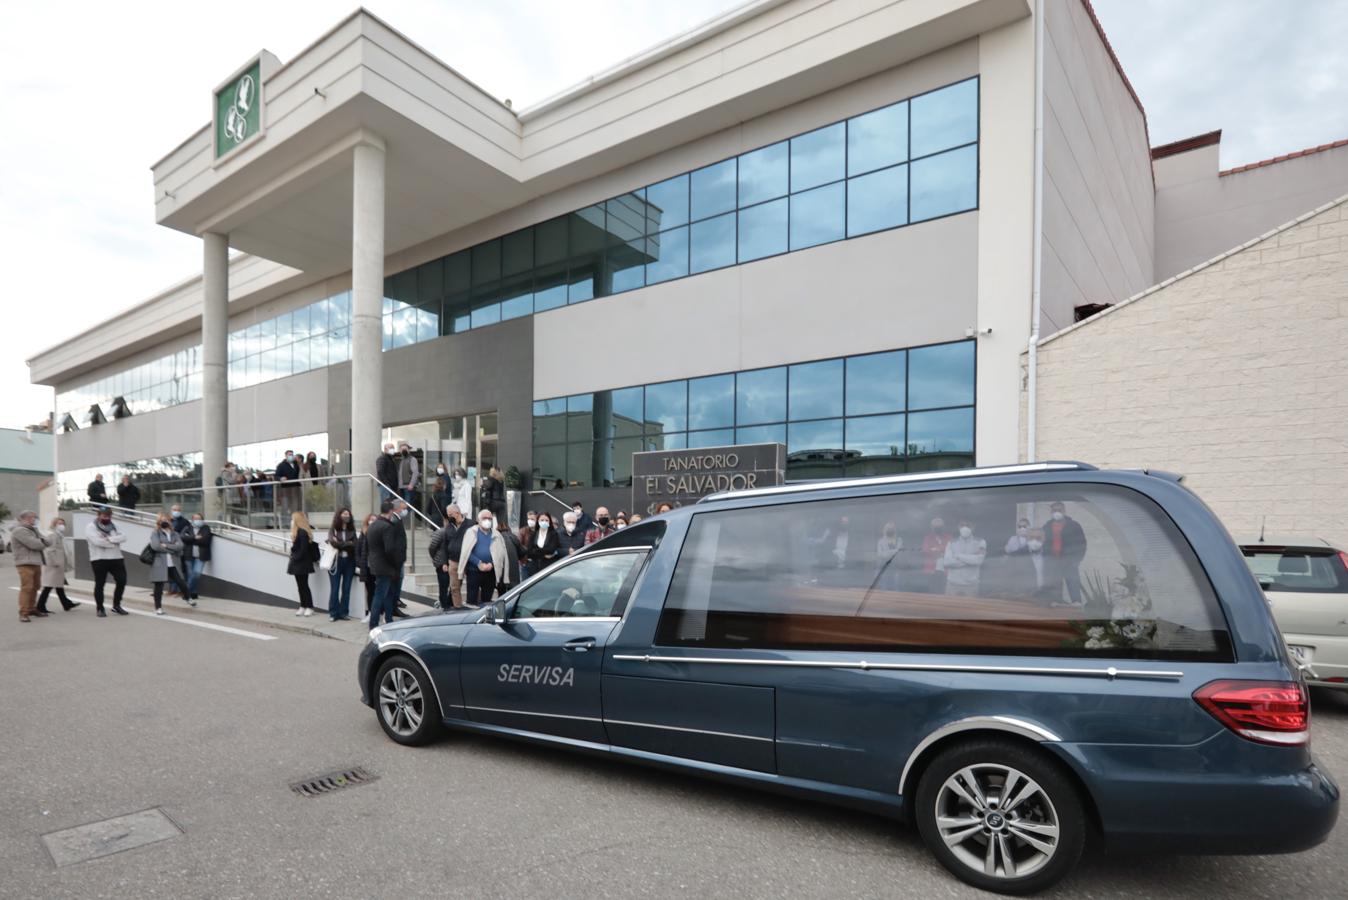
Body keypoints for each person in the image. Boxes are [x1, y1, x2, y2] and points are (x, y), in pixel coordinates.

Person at [366, 499, 409, 628]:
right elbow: (390, 549)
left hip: (376, 565)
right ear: (391, 511)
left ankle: (387, 619)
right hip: (386, 567)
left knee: (384, 594)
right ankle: (374, 624)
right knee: (382, 595)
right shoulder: (387, 527)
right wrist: (395, 565)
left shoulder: (373, 525)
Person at [1040, 501, 1087, 606]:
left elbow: (1082, 543)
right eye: (1054, 510)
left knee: (1073, 583)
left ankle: (1077, 603)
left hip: (1069, 561)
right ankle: (1057, 604)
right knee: (1055, 586)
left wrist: (1077, 560)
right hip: (1053, 561)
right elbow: (1042, 544)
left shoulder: (1074, 525)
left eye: (1059, 510)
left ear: (1064, 511)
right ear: (1051, 512)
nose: (1057, 512)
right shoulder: (1046, 527)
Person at [458, 510, 506, 609]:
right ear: (478, 520)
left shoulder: (496, 534)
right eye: (484, 518)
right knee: (471, 600)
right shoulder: (471, 532)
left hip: (491, 572)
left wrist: (491, 564)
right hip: (474, 571)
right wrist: (479, 563)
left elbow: (501, 553)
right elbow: (466, 552)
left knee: (487, 601)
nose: (487, 520)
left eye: (489, 518)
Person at [86, 507, 129, 617]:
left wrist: (110, 539)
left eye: (109, 516)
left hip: (116, 557)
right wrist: (114, 541)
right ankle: (100, 608)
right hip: (99, 558)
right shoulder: (91, 527)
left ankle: (116, 605)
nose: (107, 518)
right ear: (99, 515)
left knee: (122, 580)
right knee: (100, 584)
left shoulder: (114, 525)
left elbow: (124, 537)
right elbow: (97, 542)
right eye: (104, 516)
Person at [11, 510, 52, 622]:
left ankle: (31, 608)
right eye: (33, 517)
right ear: (27, 518)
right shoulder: (19, 530)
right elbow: (34, 544)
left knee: (36, 586)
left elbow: (49, 541)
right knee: (27, 587)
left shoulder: (33, 530)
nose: (35, 519)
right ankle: (23, 612)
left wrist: (42, 540)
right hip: (25, 563)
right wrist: (42, 540)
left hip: (35, 562)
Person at [149, 513, 193, 614]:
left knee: (181, 582)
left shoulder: (175, 534)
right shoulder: (155, 533)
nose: (165, 522)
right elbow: (155, 546)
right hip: (160, 563)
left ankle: (187, 597)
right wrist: (173, 547)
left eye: (167, 520)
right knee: (159, 587)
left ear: (170, 521)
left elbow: (180, 546)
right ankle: (158, 608)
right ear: (159, 522)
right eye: (162, 520)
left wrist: (166, 546)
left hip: (173, 563)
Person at [429, 507, 468, 610]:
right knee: (444, 586)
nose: (449, 518)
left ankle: (451, 604)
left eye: (451, 515)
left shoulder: (463, 527)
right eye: (448, 516)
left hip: (455, 561)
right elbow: (432, 547)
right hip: (443, 564)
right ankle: (444, 606)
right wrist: (438, 560)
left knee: (454, 586)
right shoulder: (441, 532)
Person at [36, 517, 77, 613]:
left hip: (58, 564)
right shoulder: (52, 535)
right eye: (59, 523)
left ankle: (66, 604)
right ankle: (40, 606)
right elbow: (49, 550)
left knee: (59, 585)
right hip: (54, 565)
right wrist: (55, 562)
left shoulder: (60, 535)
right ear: (54, 524)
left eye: (63, 523)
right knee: (49, 586)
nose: (62, 525)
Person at [942, 521, 987, 597]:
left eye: (968, 525)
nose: (965, 528)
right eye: (962, 525)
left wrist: (958, 556)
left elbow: (979, 560)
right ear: (958, 527)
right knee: (950, 608)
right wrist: (970, 559)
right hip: (953, 584)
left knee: (971, 608)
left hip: (971, 585)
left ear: (973, 528)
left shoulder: (980, 542)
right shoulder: (951, 542)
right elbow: (947, 562)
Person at [327, 508, 358, 621]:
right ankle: (333, 613)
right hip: (336, 562)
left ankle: (344, 613)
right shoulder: (333, 529)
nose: (346, 515)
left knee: (346, 588)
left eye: (348, 514)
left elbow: (356, 544)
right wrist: (347, 544)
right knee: (334, 589)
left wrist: (341, 544)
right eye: (344, 514)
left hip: (349, 562)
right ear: (339, 515)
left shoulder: (352, 529)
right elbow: (333, 542)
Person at [287, 511, 317, 617]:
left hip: (302, 564)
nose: (291, 521)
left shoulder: (302, 532)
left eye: (292, 519)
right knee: (300, 586)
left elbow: (303, 550)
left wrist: (294, 556)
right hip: (300, 563)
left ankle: (309, 606)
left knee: (304, 586)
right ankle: (303, 606)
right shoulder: (298, 532)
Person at [1006, 527, 1048, 601]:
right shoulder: (1016, 556)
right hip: (1023, 599)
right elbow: (1009, 580)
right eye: (1031, 538)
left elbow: (1055, 583)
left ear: (1044, 539)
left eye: (1038, 538)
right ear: (1027, 539)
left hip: (1046, 600)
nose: (1034, 541)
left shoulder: (1051, 556)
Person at [181, 513, 213, 601]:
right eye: (195, 518)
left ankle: (186, 592)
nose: (197, 520)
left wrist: (191, 540)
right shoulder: (188, 527)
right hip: (188, 555)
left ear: (202, 520)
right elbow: (182, 537)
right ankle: (193, 593)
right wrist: (195, 537)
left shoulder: (206, 528)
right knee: (191, 574)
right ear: (192, 519)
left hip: (201, 556)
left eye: (199, 518)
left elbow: (205, 541)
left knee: (196, 574)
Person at [355, 513, 379, 619]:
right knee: (370, 591)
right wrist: (360, 563)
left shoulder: (380, 533)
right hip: (367, 567)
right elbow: (358, 549)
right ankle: (370, 613)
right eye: (370, 520)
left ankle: (379, 612)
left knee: (379, 591)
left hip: (378, 567)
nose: (372, 522)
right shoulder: (364, 533)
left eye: (374, 520)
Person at [921, 517, 952, 593]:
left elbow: (950, 551)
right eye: (935, 527)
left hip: (946, 570)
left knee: (944, 591)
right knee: (933, 592)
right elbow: (925, 550)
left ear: (943, 527)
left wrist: (935, 550)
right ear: (932, 527)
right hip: (931, 570)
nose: (937, 528)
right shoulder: (928, 538)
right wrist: (941, 551)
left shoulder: (949, 537)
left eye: (939, 526)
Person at [874, 521, 903, 592]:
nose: (890, 529)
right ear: (884, 529)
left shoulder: (899, 540)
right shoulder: (880, 541)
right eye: (888, 528)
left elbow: (899, 552)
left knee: (896, 587)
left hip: (896, 568)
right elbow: (880, 554)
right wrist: (894, 551)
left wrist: (887, 553)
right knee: (884, 588)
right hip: (883, 568)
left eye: (891, 528)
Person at [275, 450, 301, 522]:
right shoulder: (281, 465)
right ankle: (285, 522)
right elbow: (276, 476)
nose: (291, 456)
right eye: (289, 455)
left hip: (295, 488)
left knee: (295, 505)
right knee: (286, 506)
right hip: (286, 489)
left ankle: (296, 521)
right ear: (286, 456)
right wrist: (281, 478)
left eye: (292, 454)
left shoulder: (296, 464)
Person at [398, 442, 421, 513]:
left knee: (408, 506)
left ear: (409, 450)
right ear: (400, 451)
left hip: (408, 487)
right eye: (402, 449)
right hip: (402, 487)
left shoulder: (412, 459)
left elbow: (415, 472)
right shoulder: (402, 460)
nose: (404, 450)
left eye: (405, 449)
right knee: (403, 506)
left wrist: (411, 484)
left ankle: (410, 523)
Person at [518, 511, 538, 580]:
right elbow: (519, 545)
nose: (530, 521)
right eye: (528, 519)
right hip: (525, 562)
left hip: (537, 563)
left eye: (532, 519)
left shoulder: (540, 531)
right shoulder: (523, 531)